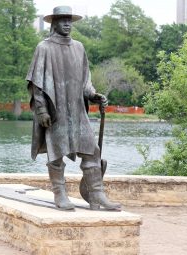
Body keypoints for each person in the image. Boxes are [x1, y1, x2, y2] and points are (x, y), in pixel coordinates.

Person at [26, 6, 121, 211]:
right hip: (55, 110)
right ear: (54, 23)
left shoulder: (79, 47)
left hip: (77, 111)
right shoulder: (44, 48)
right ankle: (60, 194)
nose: (67, 24)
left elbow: (85, 81)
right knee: (56, 152)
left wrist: (93, 95)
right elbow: (37, 83)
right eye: (62, 20)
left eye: (69, 20)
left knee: (91, 151)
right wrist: (41, 110)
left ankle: (97, 195)